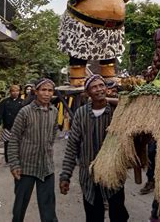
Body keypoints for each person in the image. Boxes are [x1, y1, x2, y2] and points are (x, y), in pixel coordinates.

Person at [59, 74, 129, 221]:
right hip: (89, 176)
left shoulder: (117, 112)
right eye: (94, 87)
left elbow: (132, 105)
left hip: (113, 173)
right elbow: (72, 146)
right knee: (93, 216)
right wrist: (65, 175)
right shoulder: (81, 114)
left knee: (119, 215)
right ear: (87, 93)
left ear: (107, 88)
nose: (99, 89)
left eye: (101, 85)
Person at [8, 78, 59, 222]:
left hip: (46, 167)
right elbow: (14, 139)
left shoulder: (54, 112)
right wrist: (14, 164)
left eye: (50, 90)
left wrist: (47, 150)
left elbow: (53, 135)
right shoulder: (25, 112)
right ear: (36, 92)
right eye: (43, 90)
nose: (47, 93)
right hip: (26, 167)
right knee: (19, 207)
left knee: (48, 208)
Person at [0, 84, 24, 164]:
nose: (15, 93)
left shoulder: (22, 102)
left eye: (17, 91)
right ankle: (8, 160)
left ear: (19, 92)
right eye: (13, 91)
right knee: (7, 144)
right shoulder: (5, 102)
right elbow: (0, 114)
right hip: (7, 127)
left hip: (19, 128)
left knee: (19, 145)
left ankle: (18, 160)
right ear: (10, 92)